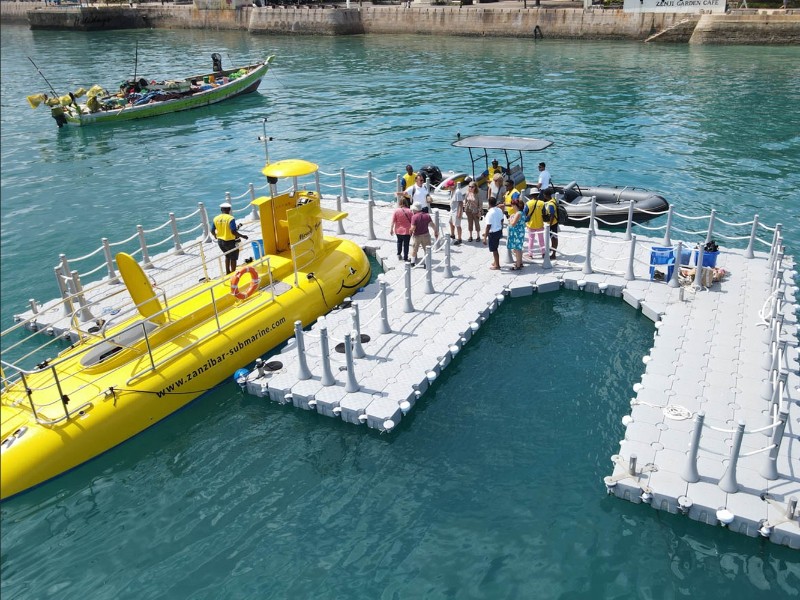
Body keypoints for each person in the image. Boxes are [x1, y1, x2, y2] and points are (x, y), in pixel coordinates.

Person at [211, 202, 248, 275]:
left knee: (227, 256)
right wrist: (243, 236)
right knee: (233, 258)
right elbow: (233, 231)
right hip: (229, 242)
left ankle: (228, 272)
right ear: (229, 209)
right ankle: (233, 275)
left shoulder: (216, 218)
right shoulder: (230, 218)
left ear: (221, 209)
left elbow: (212, 230)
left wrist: (215, 236)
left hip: (220, 242)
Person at [409, 201, 438, 266]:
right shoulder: (427, 215)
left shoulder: (414, 217)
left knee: (414, 249)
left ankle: (412, 263)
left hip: (417, 236)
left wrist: (410, 231)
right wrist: (436, 231)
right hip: (426, 235)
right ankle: (426, 263)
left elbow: (413, 227)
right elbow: (432, 224)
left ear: (415, 209)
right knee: (426, 250)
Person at [482, 196, 504, 271]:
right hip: (499, 231)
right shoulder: (499, 210)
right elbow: (502, 220)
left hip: (493, 233)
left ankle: (497, 265)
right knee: (496, 247)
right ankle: (495, 261)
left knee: (494, 250)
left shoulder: (489, 213)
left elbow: (488, 226)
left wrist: (485, 237)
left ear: (489, 204)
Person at [506, 193, 526, 270]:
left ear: (516, 206)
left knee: (516, 249)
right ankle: (520, 262)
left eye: (513, 205)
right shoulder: (521, 213)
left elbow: (513, 224)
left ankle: (518, 264)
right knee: (519, 248)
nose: (512, 207)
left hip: (517, 232)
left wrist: (510, 219)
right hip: (520, 231)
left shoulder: (518, 213)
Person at [390, 196, 414, 262]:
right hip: (407, 231)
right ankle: (405, 257)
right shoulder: (410, 211)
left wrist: (391, 229)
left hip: (398, 230)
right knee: (406, 244)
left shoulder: (396, 211)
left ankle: (398, 254)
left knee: (399, 242)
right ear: (406, 203)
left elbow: (393, 221)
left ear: (399, 203)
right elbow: (413, 222)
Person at [523, 194, 546, 259]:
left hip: (531, 224)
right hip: (540, 224)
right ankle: (543, 253)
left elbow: (525, 213)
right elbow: (544, 213)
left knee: (531, 240)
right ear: (537, 195)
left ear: (531, 196)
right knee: (541, 239)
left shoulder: (528, 203)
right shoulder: (542, 203)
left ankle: (530, 254)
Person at [542, 189, 559, 260]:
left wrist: (550, 224)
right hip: (555, 222)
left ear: (546, 195)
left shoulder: (551, 204)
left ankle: (554, 254)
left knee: (553, 238)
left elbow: (552, 215)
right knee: (554, 238)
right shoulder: (553, 200)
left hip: (552, 224)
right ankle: (552, 250)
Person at [463, 178, 481, 242]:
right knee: (469, 223)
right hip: (468, 210)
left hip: (475, 211)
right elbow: (465, 201)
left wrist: (479, 211)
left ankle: (478, 236)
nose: (470, 188)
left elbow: (480, 204)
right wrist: (465, 208)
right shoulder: (467, 193)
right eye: (469, 186)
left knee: (477, 223)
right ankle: (470, 236)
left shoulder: (477, 194)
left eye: (472, 187)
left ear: (475, 187)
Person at [447, 179, 465, 245]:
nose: (447, 188)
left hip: (456, 211)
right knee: (450, 222)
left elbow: (461, 203)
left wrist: (459, 213)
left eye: (448, 186)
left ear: (451, 186)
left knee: (457, 225)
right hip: (452, 210)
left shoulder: (457, 192)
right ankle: (452, 235)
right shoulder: (452, 191)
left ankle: (459, 239)